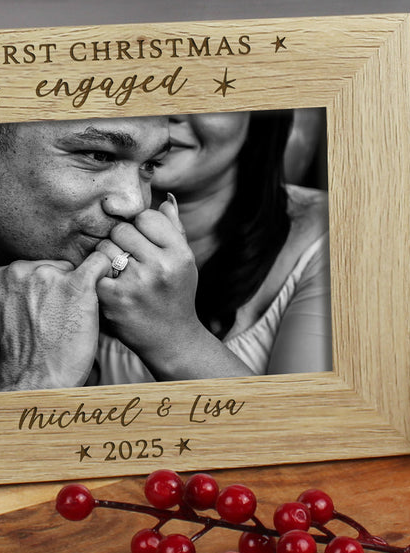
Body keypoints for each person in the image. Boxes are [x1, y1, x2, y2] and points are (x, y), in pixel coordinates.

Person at [0, 116, 170, 396]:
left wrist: (174, 336)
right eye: (98, 155)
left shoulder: (123, 289)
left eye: (150, 164)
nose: (135, 203)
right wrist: (36, 382)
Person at [93, 109, 331, 384]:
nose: (170, 112)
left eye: (204, 96)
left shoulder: (334, 233)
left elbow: (311, 412)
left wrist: (173, 336)